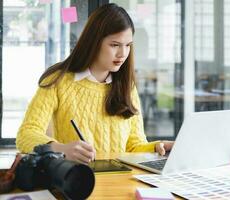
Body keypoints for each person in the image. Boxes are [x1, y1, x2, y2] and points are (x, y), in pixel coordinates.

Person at [16, 3, 173, 164]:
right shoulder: (58, 81)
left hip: (120, 180)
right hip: (77, 179)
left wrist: (156, 147)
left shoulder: (126, 86)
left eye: (128, 45)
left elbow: (133, 147)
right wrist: (62, 149)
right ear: (94, 42)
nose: (123, 54)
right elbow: (26, 135)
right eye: (114, 45)